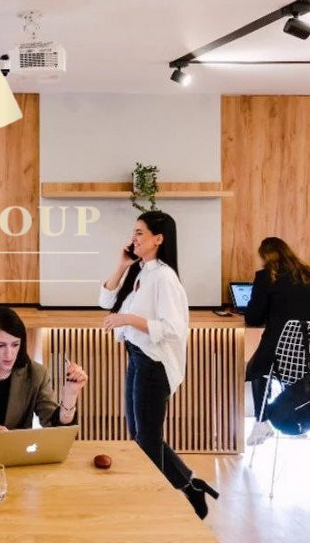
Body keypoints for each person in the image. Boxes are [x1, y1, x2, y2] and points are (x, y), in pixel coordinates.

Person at [99, 210, 218, 519]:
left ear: (159, 239)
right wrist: (122, 265)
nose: (134, 238)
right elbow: (105, 301)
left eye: (140, 232)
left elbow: (172, 328)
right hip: (138, 358)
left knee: (146, 441)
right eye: (134, 232)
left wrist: (127, 319)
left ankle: (156, 504)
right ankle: (190, 485)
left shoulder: (164, 277)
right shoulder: (141, 271)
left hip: (154, 364)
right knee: (141, 436)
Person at [0, 306, 87, 441]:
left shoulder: (36, 373)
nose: (9, 354)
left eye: (15, 345)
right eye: (0, 345)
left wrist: (70, 395)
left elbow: (57, 432)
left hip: (18, 453)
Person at [244, 236, 310, 446]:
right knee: (286, 365)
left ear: (265, 257)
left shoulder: (265, 277)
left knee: (257, 368)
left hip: (282, 354)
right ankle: (297, 418)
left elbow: (253, 318)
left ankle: (262, 422)